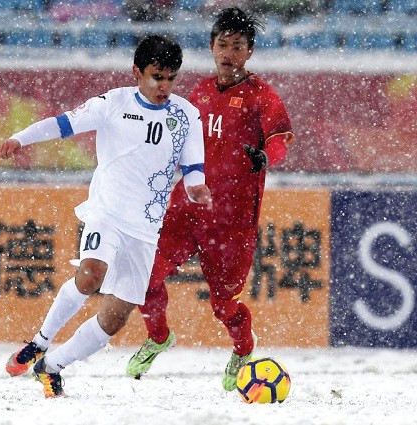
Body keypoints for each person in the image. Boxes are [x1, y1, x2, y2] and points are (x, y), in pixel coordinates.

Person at [0, 34, 212, 398]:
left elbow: (193, 166)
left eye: (171, 78)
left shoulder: (186, 115)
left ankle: (51, 366)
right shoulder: (112, 103)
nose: (164, 86)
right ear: (137, 72)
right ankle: (39, 341)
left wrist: (196, 186)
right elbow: (63, 123)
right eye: (156, 76)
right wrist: (21, 138)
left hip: (145, 229)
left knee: (115, 319)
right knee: (90, 274)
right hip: (107, 214)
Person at [126, 7, 294, 392]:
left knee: (225, 306)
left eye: (238, 46)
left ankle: (242, 349)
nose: (229, 53)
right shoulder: (198, 92)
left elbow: (281, 139)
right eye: (223, 44)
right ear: (211, 47)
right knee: (143, 278)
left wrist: (266, 157)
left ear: (249, 52)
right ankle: (158, 336)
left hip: (231, 222)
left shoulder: (261, 96)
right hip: (186, 209)